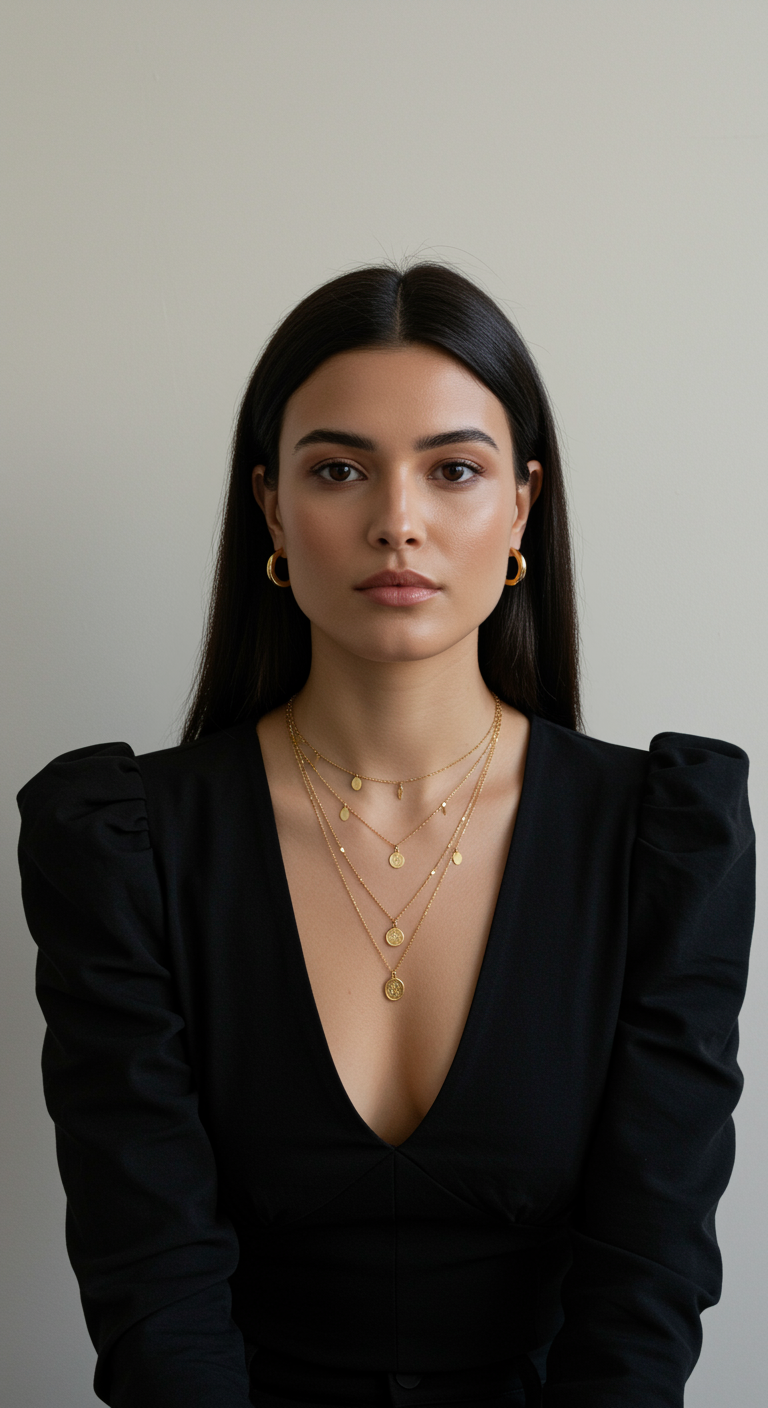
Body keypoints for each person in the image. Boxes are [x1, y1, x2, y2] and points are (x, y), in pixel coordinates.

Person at [17, 264, 755, 1408]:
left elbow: (645, 1281)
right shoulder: (122, 844)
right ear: (271, 505)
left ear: (520, 505)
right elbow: (149, 1276)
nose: (396, 519)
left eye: (454, 468)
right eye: (338, 468)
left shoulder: (662, 839)